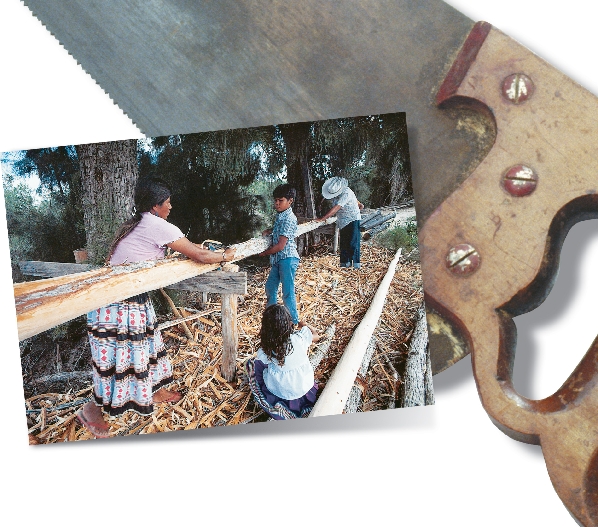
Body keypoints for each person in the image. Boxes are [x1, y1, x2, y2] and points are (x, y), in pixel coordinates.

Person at [77, 177, 236, 438]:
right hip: (118, 304)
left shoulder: (142, 223)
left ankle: (154, 390)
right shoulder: (155, 224)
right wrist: (226, 256)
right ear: (155, 206)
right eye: (167, 203)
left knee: (146, 348)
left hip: (129, 299)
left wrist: (205, 252)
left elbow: (190, 248)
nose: (170, 207)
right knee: (119, 359)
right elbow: (201, 255)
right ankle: (91, 410)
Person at [246, 305, 320, 420]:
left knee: (253, 364)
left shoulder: (266, 350)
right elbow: (316, 336)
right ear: (289, 324)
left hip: (282, 392)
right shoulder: (299, 339)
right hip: (305, 387)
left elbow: (263, 361)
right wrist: (304, 325)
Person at [258, 183, 301, 325]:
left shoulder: (289, 218)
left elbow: (281, 245)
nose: (277, 203)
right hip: (278, 259)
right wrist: (270, 230)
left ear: (290, 201)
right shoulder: (281, 215)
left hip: (287, 258)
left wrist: (264, 253)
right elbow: (279, 231)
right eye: (275, 200)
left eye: (280, 200)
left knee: (287, 292)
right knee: (270, 286)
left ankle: (293, 322)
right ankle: (272, 318)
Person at [317, 176, 364, 268]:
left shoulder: (347, 192)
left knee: (353, 243)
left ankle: (355, 266)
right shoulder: (336, 195)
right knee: (344, 243)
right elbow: (358, 202)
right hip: (343, 220)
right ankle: (344, 264)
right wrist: (359, 205)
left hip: (352, 219)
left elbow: (336, 208)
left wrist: (322, 219)